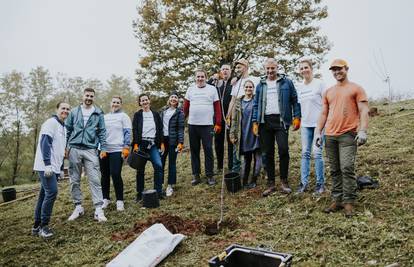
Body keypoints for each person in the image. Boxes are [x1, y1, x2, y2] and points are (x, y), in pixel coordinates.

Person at [316, 59, 369, 217]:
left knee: (346, 167)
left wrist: (363, 130)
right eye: (334, 70)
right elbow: (324, 113)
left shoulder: (356, 88)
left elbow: (364, 110)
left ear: (346, 69)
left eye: (339, 69)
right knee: (334, 169)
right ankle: (337, 199)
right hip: (330, 135)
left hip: (348, 134)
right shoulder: (329, 91)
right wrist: (318, 132)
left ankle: (349, 202)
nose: (337, 72)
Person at [252, 58, 301, 197]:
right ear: (265, 69)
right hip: (265, 121)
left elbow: (294, 100)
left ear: (277, 68)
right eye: (267, 68)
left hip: (281, 121)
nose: (270, 71)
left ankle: (284, 181)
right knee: (267, 153)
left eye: (272, 68)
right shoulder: (260, 85)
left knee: (283, 149)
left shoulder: (287, 82)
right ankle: (271, 182)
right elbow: (256, 104)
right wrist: (255, 121)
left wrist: (297, 117)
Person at [66, 88, 108, 222]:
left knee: (95, 179)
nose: (89, 98)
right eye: (87, 95)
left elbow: (102, 131)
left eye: (91, 96)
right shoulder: (73, 112)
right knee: (74, 179)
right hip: (74, 148)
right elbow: (67, 130)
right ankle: (78, 207)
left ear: (94, 97)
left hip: (91, 149)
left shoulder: (98, 113)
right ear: (82, 96)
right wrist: (65, 147)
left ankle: (98, 209)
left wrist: (103, 148)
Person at [32, 102, 70, 238]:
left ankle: (36, 226)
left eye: (67, 109)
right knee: (52, 192)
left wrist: (60, 168)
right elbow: (45, 143)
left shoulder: (63, 127)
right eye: (63, 108)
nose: (65, 111)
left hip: (54, 166)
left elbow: (60, 150)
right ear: (57, 109)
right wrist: (47, 164)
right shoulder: (51, 123)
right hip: (45, 166)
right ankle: (44, 227)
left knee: (44, 194)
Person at [183, 68, 222, 186]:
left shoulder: (212, 89)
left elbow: (217, 108)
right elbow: (185, 107)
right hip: (193, 125)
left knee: (208, 150)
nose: (200, 79)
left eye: (202, 77)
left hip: (207, 125)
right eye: (198, 77)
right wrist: (181, 121)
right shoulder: (190, 89)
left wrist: (218, 123)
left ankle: (210, 175)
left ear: (206, 77)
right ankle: (196, 175)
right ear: (195, 78)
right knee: (194, 150)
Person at [296, 59, 326, 195]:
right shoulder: (299, 86)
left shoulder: (319, 84)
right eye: (301, 68)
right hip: (305, 125)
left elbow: (326, 104)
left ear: (311, 68)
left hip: (319, 125)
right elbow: (298, 105)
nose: (304, 70)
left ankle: (320, 185)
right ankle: (303, 184)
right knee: (305, 153)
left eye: (306, 67)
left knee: (317, 153)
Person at [226, 59, 259, 173]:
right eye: (236, 68)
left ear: (245, 66)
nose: (236, 70)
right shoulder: (236, 83)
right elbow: (232, 100)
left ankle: (259, 169)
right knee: (239, 142)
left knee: (256, 143)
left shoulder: (256, 79)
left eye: (239, 67)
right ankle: (238, 170)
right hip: (239, 117)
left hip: (252, 115)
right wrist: (228, 116)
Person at [100, 96, 132, 211]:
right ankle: (105, 199)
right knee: (104, 175)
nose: (115, 104)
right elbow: (101, 133)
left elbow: (127, 132)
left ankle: (119, 200)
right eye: (114, 102)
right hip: (104, 150)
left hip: (117, 149)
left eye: (118, 102)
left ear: (121, 104)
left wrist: (126, 147)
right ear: (110, 103)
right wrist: (101, 148)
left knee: (115, 174)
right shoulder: (104, 117)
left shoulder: (124, 116)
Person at [132, 93, 165, 201]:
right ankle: (140, 194)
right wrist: (136, 144)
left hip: (153, 145)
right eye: (142, 100)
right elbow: (135, 130)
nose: (145, 102)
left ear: (149, 101)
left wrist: (162, 143)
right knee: (140, 169)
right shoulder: (137, 115)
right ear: (140, 103)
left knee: (159, 166)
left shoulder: (155, 114)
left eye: (146, 100)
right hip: (141, 145)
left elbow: (160, 129)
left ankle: (158, 192)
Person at [229, 80, 262, 189]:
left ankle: (254, 180)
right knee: (247, 159)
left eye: (251, 87)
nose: (249, 89)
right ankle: (244, 181)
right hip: (244, 133)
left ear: (253, 88)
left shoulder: (257, 100)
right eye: (247, 87)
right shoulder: (239, 102)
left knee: (258, 157)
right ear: (244, 88)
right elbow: (234, 119)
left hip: (256, 132)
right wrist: (232, 134)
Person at [208, 64, 234, 173]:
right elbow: (206, 85)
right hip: (217, 118)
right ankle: (220, 165)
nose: (225, 71)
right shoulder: (216, 84)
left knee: (231, 142)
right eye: (223, 69)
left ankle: (232, 165)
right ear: (220, 71)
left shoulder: (234, 83)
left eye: (227, 69)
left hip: (230, 117)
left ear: (230, 71)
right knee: (218, 142)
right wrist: (212, 78)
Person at [160, 91, 185, 197]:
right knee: (160, 163)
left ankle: (170, 185)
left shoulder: (180, 113)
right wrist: (159, 141)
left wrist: (180, 142)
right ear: (169, 99)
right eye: (172, 97)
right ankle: (159, 185)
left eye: (175, 97)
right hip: (162, 141)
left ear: (177, 100)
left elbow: (180, 129)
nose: (173, 99)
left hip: (173, 141)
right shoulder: (163, 111)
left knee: (172, 163)